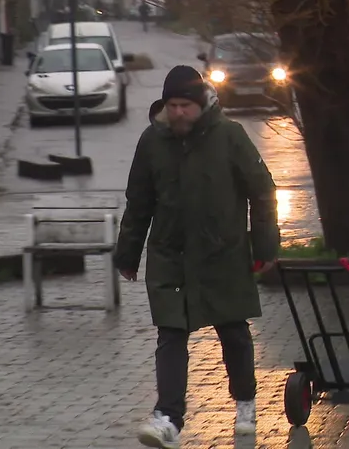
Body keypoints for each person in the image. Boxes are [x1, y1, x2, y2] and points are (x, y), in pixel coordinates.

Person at [114, 65, 280, 448]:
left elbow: (262, 191)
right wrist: (128, 254)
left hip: (222, 254)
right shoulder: (152, 142)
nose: (178, 113)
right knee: (170, 334)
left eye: (185, 105)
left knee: (233, 332)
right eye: (172, 105)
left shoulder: (230, 136)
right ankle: (168, 418)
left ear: (201, 103)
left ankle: (245, 401)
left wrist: (265, 248)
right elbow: (139, 202)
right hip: (170, 257)